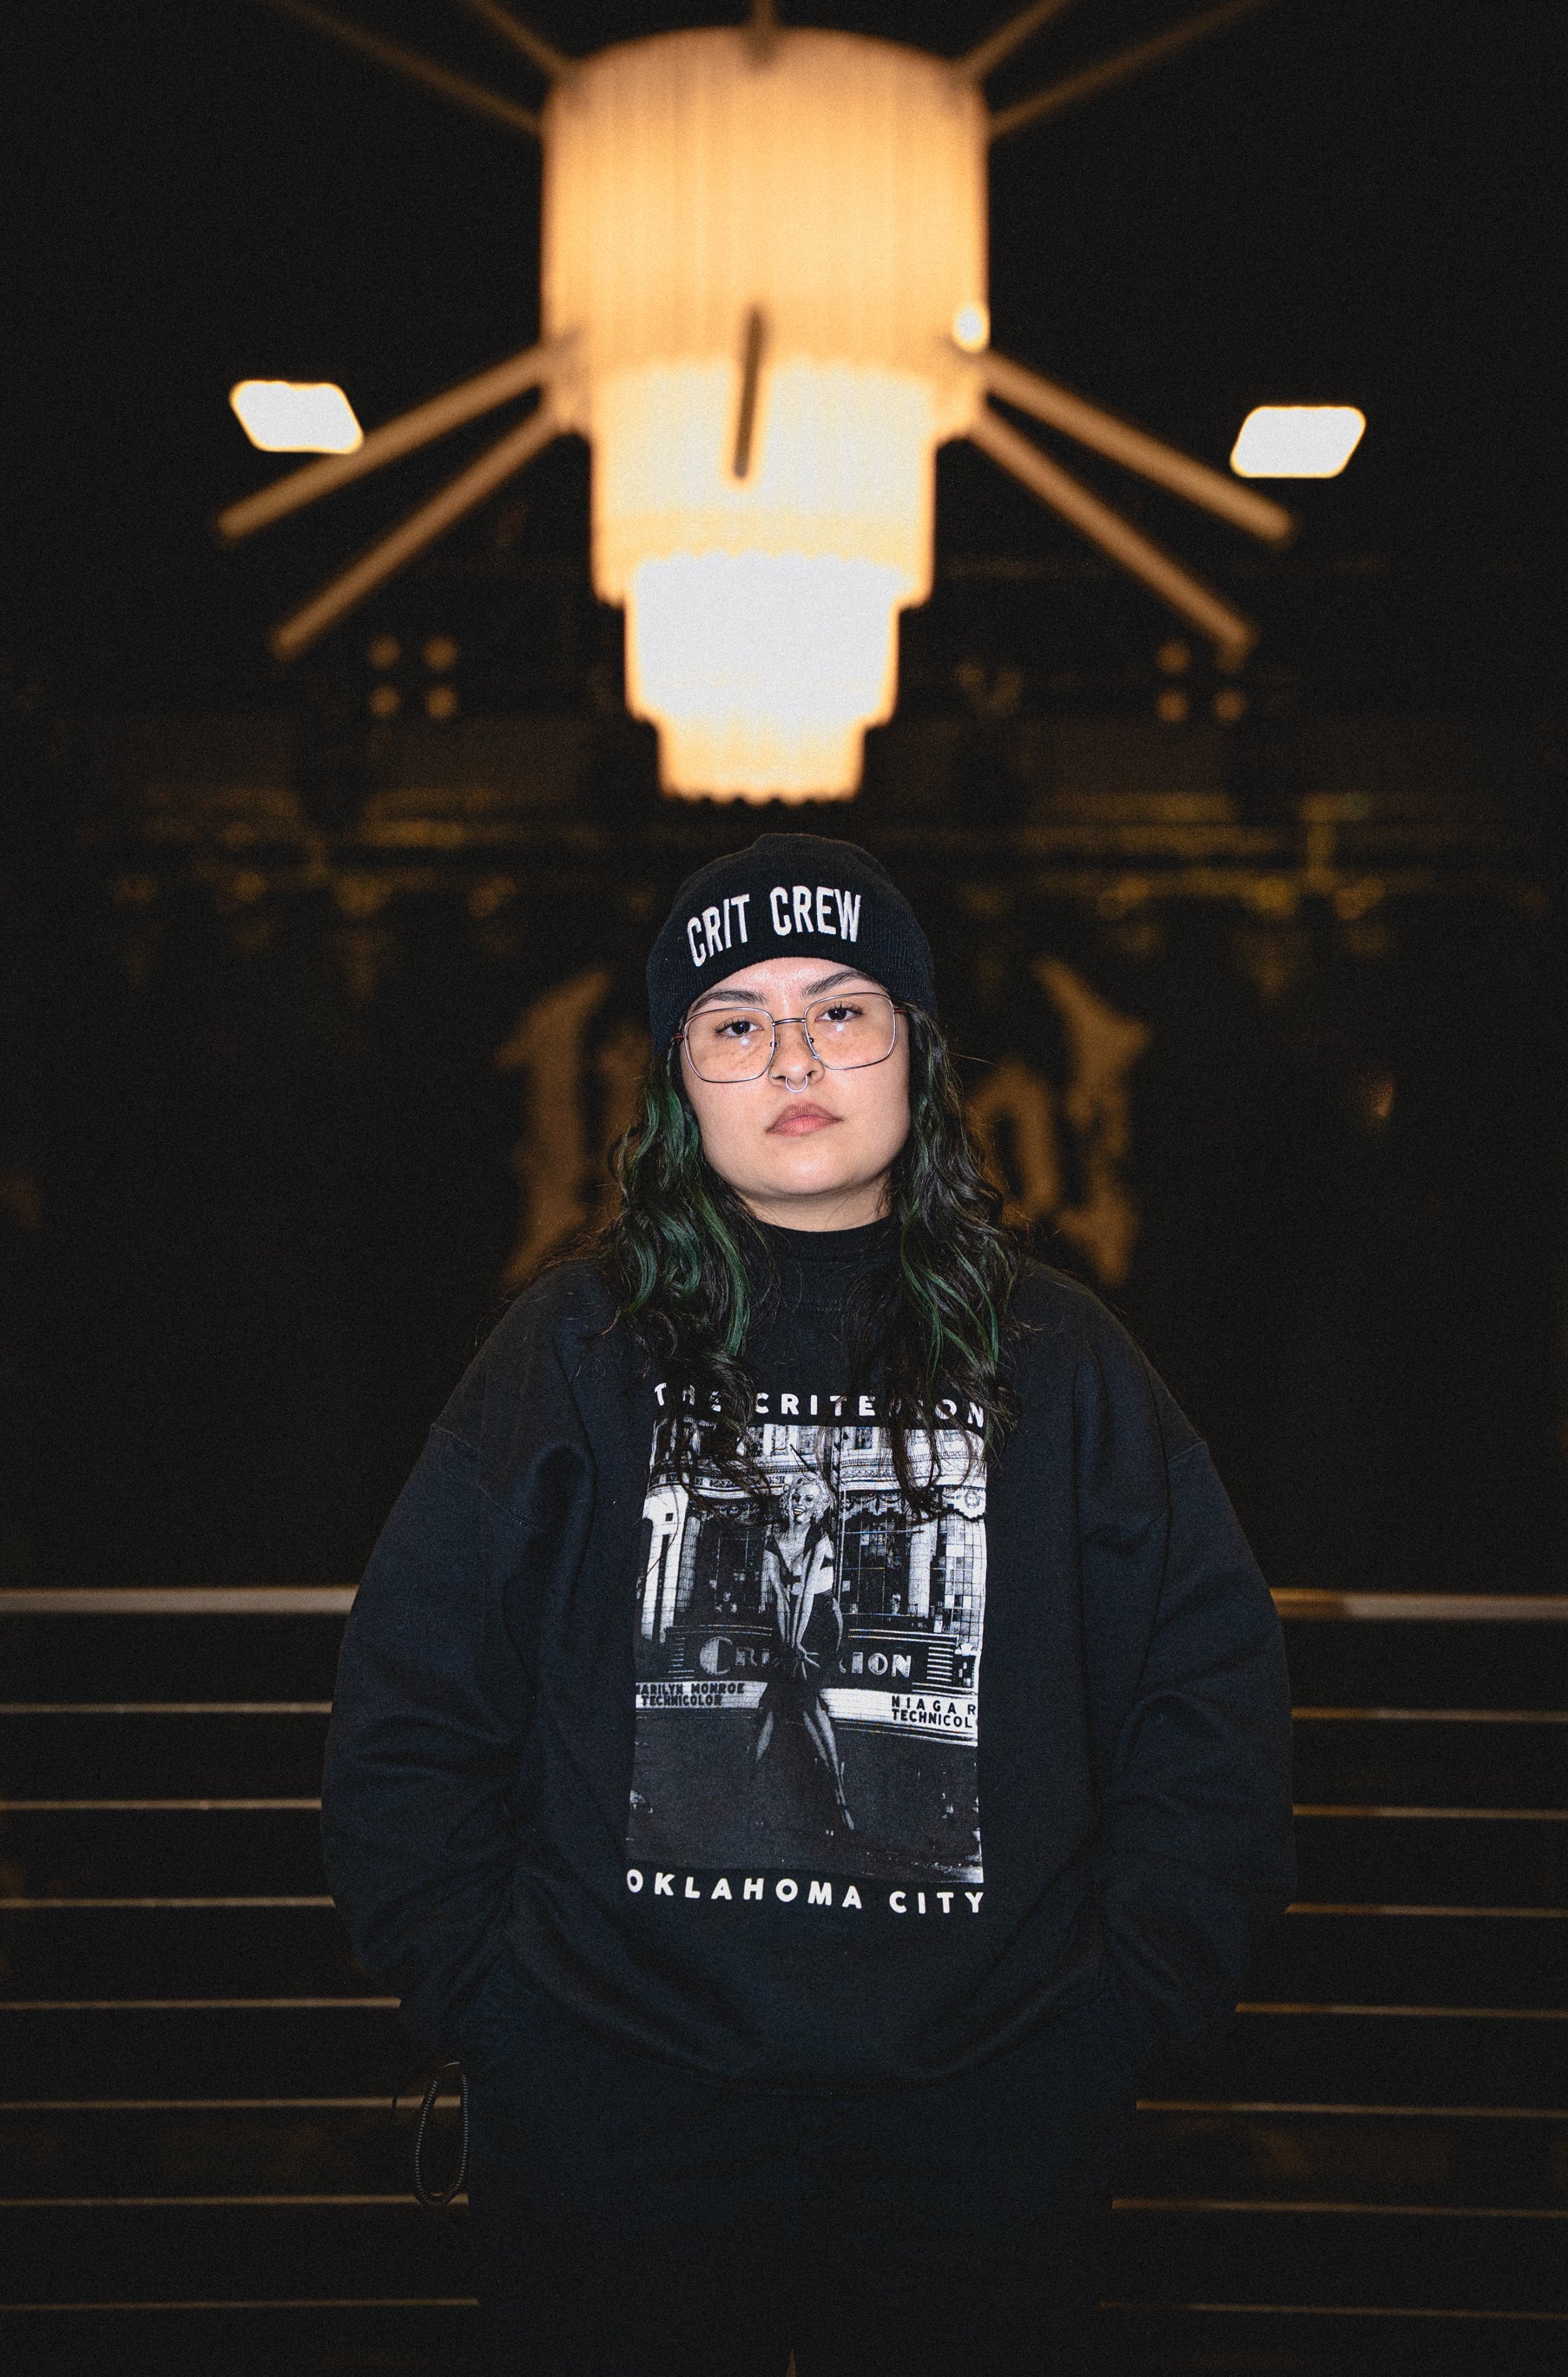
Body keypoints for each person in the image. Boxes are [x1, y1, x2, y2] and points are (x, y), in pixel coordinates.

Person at [321, 832, 1295, 2377]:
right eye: (736, 1020)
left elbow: (1210, 1701)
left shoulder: (1065, 1359)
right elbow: (411, 1702)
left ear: (918, 1050)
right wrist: (500, 2012)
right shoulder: (570, 1350)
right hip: (613, 2119)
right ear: (678, 1079)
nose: (792, 1057)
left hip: (982, 2126)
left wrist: (1111, 2018)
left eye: (841, 1009)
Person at [753, 1470, 852, 1832]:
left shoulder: (819, 1538)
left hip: (822, 1623)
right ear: (788, 1499)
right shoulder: (774, 1539)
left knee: (806, 1701)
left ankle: (839, 1797)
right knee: (773, 1702)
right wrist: (786, 1644)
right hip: (793, 1621)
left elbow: (808, 1595)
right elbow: (780, 1597)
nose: (800, 1503)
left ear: (818, 1507)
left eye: (809, 1499)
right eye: (796, 1496)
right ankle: (752, 1787)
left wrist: (796, 1644)